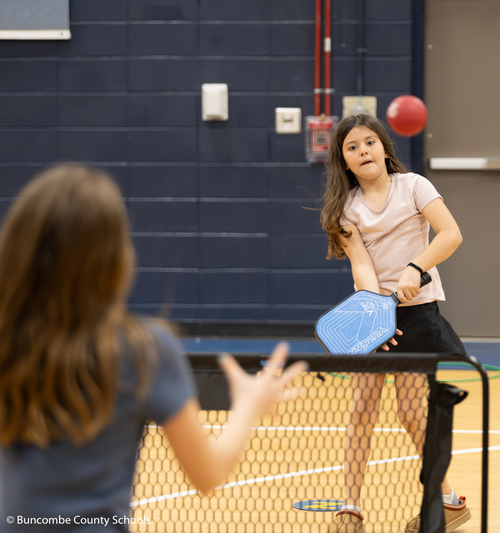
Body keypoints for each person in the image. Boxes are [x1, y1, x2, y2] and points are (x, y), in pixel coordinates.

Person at [0, 165, 307, 532]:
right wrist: (248, 406)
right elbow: (208, 474)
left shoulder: (9, 341)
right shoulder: (144, 350)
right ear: (113, 259)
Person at [320, 114, 470, 533]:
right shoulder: (345, 209)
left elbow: (450, 234)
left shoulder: (415, 186)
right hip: (375, 315)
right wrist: (377, 316)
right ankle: (349, 509)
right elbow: (362, 268)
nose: (363, 151)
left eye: (369, 142)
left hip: (418, 313)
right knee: (361, 409)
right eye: (352, 147)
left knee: (409, 411)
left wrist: (414, 268)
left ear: (384, 148)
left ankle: (448, 501)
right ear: (344, 160)